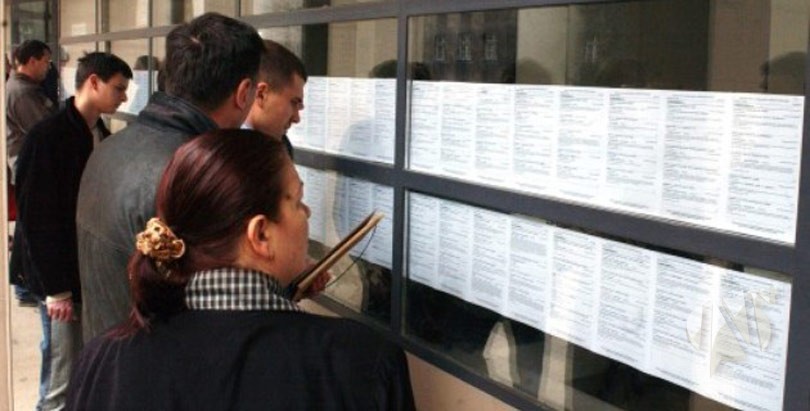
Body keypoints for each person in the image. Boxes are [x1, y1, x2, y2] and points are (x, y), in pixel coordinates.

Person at [67, 129, 415, 410]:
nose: (307, 214)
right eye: (297, 201)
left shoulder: (101, 361)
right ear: (260, 234)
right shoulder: (361, 362)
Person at [75, 12, 264, 342]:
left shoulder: (108, 148)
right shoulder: (202, 173)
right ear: (243, 92)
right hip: (160, 362)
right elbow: (221, 308)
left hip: (106, 351)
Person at [14, 52, 132, 411]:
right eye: (118, 88)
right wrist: (56, 290)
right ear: (93, 82)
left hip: (84, 273)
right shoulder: (47, 137)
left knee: (81, 368)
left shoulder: (98, 133)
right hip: (60, 280)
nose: (124, 97)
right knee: (60, 382)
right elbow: (36, 218)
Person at [243, 39, 307, 157]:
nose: (296, 118)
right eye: (293, 103)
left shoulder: (283, 147)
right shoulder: (220, 153)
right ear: (261, 94)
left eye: (299, 107)